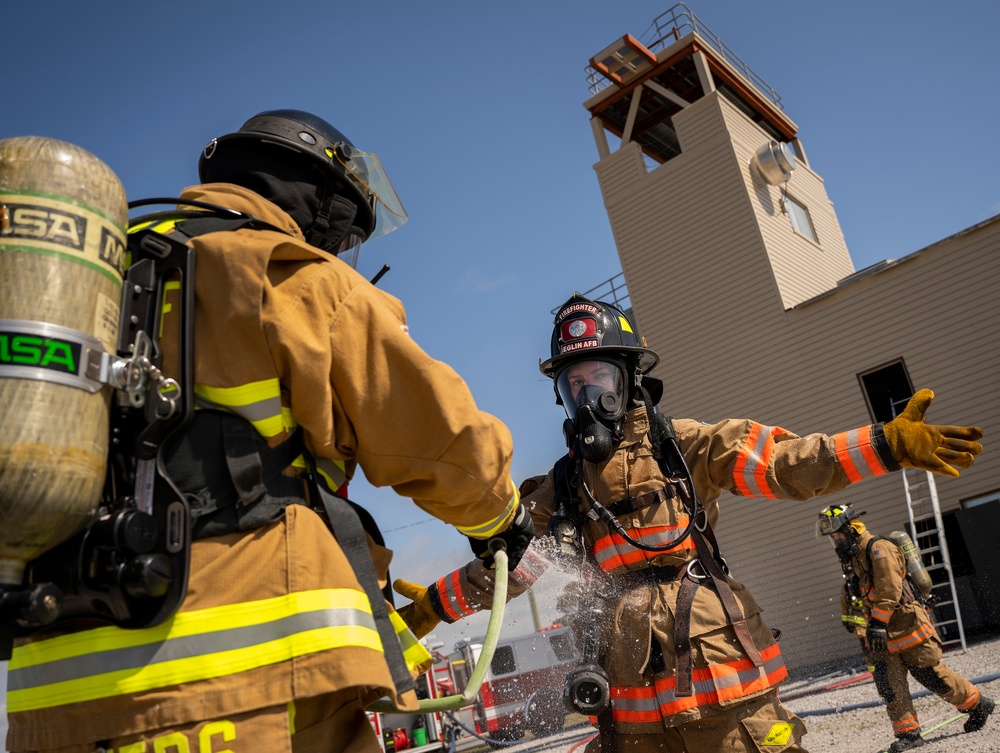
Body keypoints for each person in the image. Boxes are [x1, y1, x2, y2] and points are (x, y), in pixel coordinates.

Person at [5, 110, 533, 753]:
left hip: (53, 696)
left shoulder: (94, 281)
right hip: (249, 680)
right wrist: (500, 518)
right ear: (320, 200)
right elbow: (442, 437)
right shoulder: (293, 275)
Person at [392, 293, 985, 753]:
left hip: (720, 672)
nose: (584, 396)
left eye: (595, 378)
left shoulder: (687, 447)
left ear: (625, 378)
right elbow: (510, 567)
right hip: (628, 696)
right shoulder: (563, 488)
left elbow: (784, 465)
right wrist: (428, 612)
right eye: (571, 385)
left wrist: (885, 444)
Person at [817, 503, 995, 752]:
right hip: (880, 631)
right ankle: (909, 735)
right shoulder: (854, 558)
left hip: (907, 624)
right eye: (833, 538)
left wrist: (878, 623)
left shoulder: (880, 549)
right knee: (888, 683)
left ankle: (977, 704)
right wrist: (866, 624)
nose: (836, 542)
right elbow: (857, 594)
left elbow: (890, 590)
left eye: (837, 535)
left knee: (930, 675)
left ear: (851, 530)